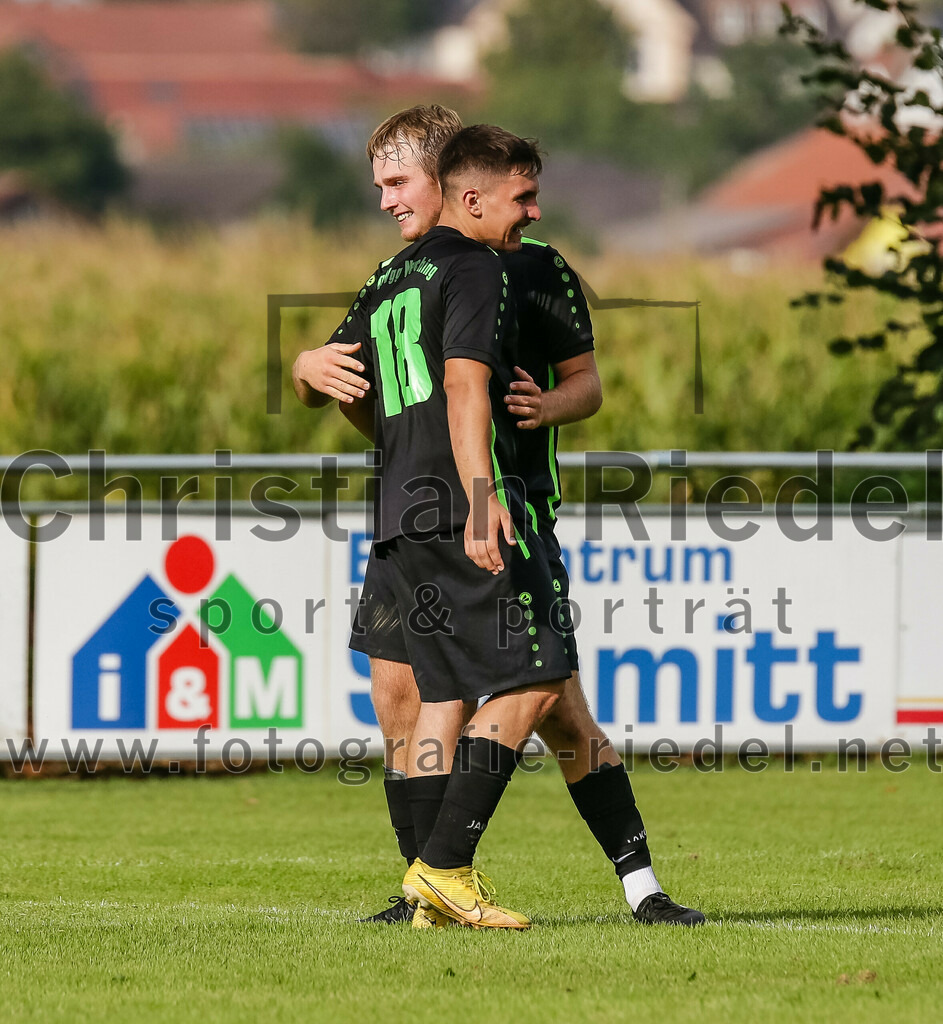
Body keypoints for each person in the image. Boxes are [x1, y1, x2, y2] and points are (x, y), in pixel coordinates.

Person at [293, 109, 704, 929]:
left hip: (501, 507)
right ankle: (428, 880)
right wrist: (305, 367)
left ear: (450, 181)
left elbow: (581, 383)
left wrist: (546, 406)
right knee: (408, 696)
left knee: (552, 703)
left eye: (395, 182)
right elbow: (367, 385)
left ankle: (635, 888)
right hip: (428, 507)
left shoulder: (526, 264)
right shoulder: (405, 272)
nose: (384, 200)